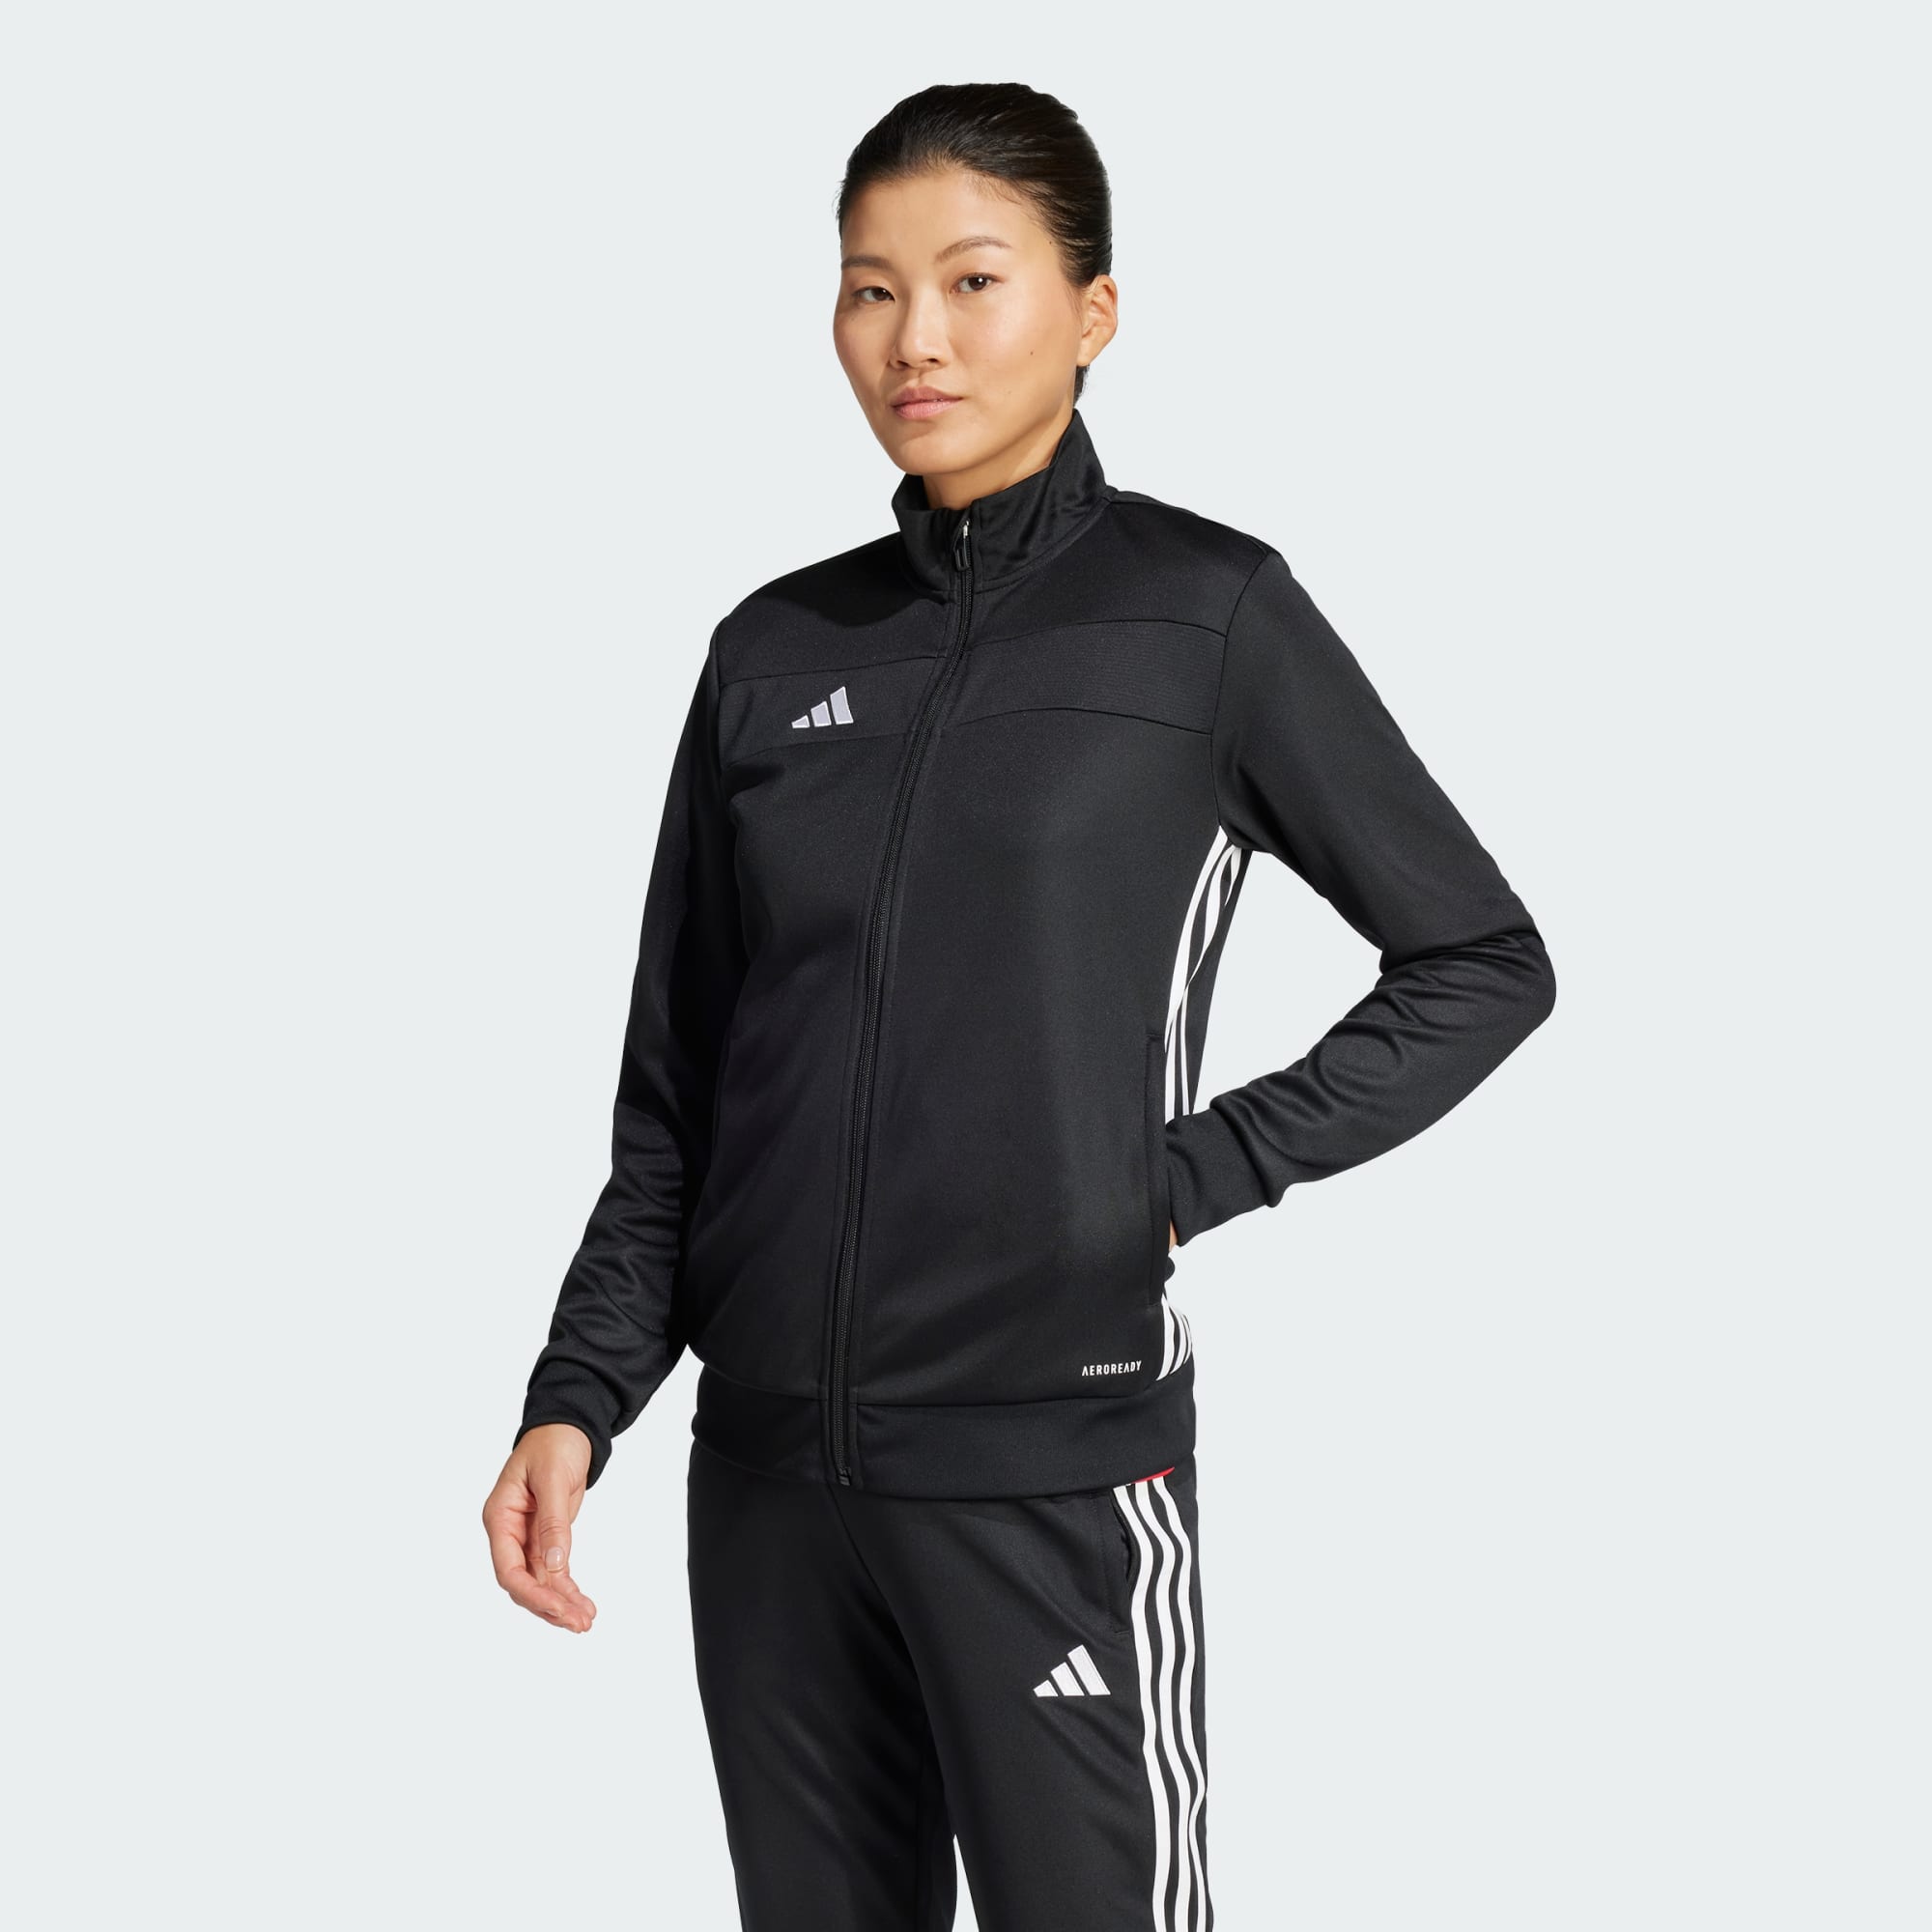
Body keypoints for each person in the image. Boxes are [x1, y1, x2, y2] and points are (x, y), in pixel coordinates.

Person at [482, 79, 1555, 1932]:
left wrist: (1177, 1179)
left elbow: (1479, 960)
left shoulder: (1205, 616)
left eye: (974, 281)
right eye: (870, 288)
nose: (916, 338)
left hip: (1046, 1476)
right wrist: (581, 1394)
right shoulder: (774, 651)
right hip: (767, 1488)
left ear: (1094, 311)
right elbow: (682, 1094)